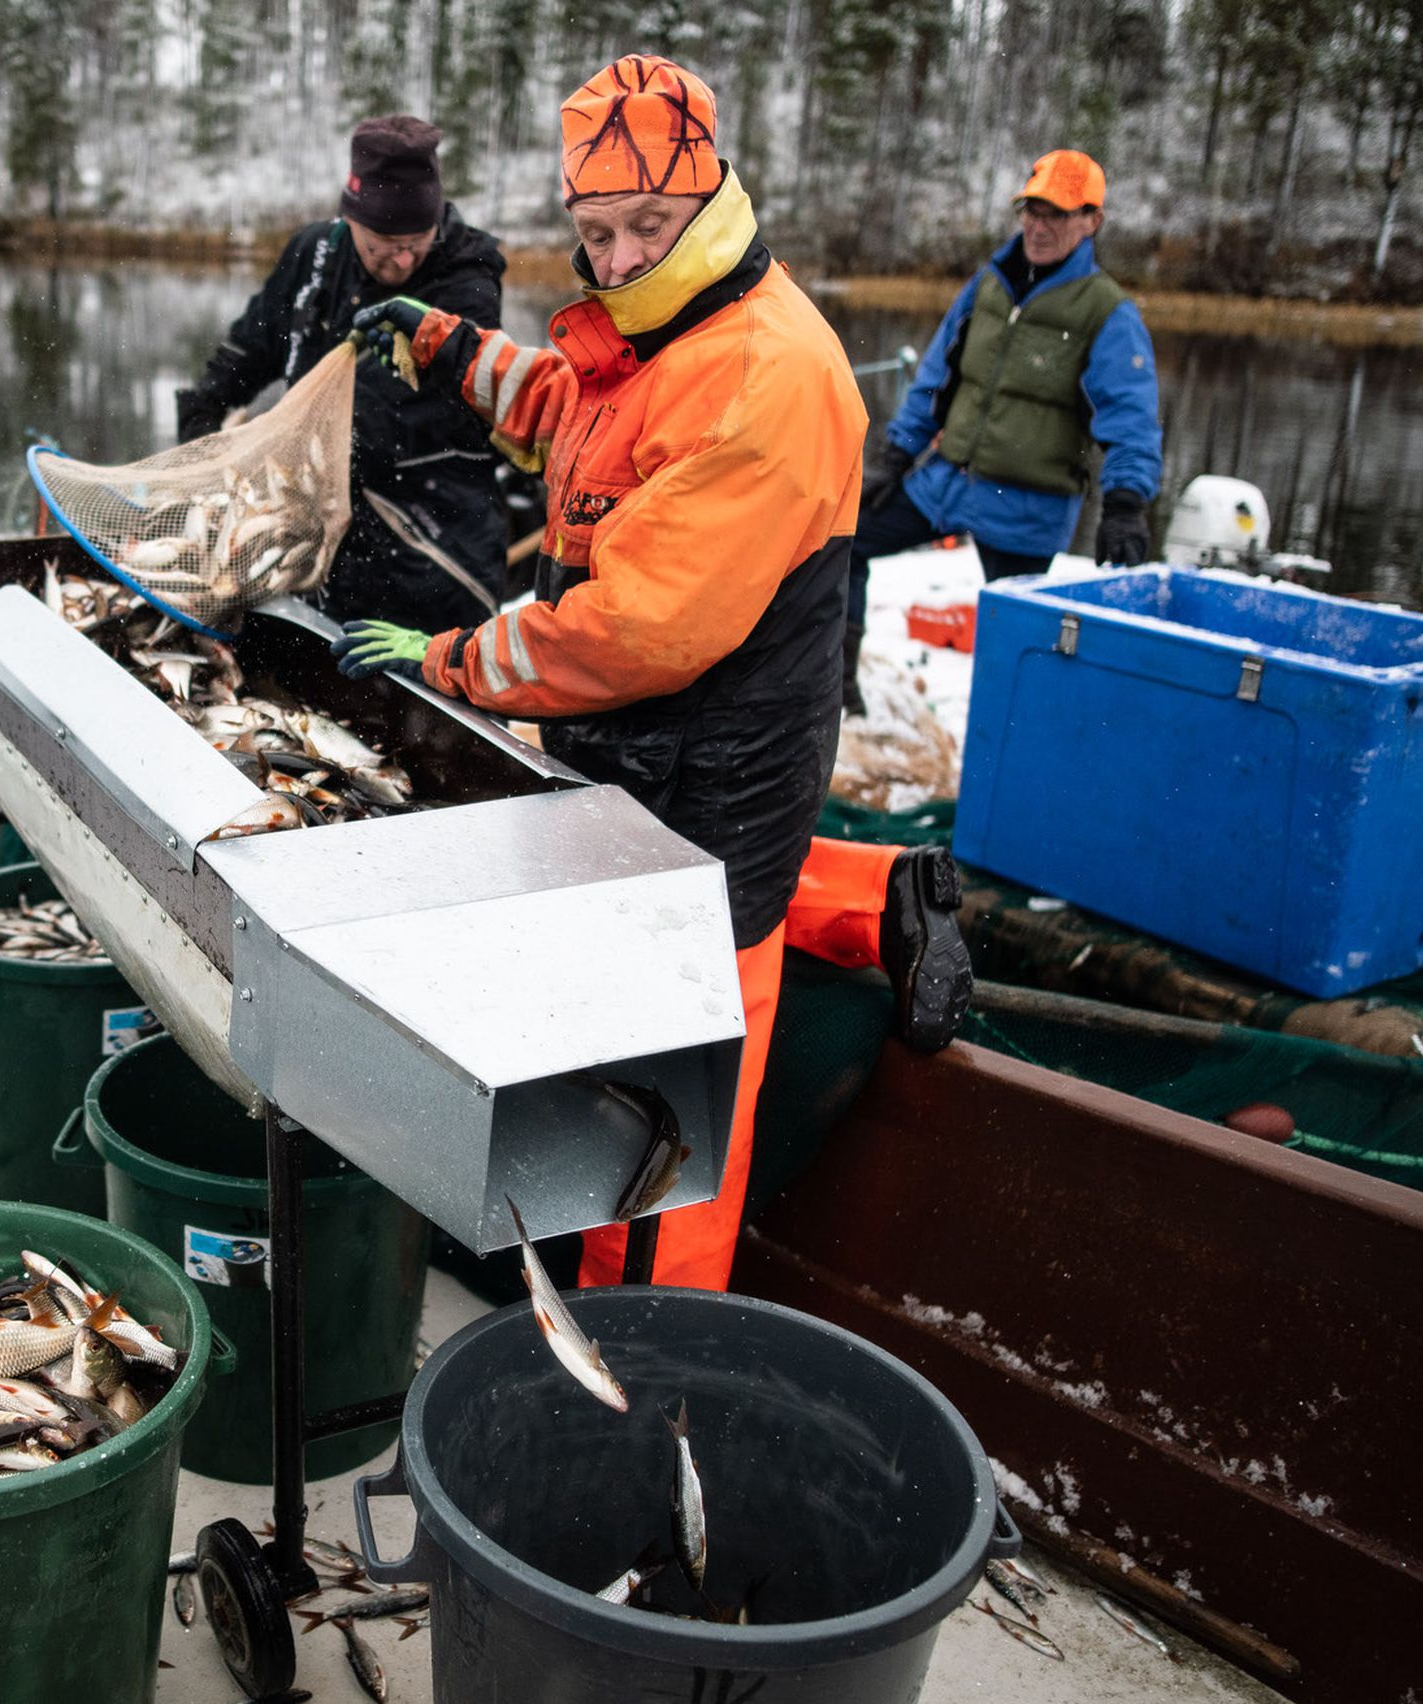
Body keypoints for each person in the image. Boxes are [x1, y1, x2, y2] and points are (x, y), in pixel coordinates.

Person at [335, 53, 971, 1294]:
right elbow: (574, 419)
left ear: (708, 198)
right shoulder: (654, 327)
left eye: (645, 228)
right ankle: (883, 890)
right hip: (627, 756)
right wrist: (456, 350)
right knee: (605, 1055)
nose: (617, 258)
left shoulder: (765, 374)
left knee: (676, 1122)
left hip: (717, 785)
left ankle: (652, 1350)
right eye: (594, 232)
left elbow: (634, 628)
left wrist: (449, 659)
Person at [843, 149, 1164, 711]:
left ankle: (1002, 747)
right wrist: (896, 456)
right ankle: (839, 695)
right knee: (842, 543)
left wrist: (1127, 502)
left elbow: (1131, 417)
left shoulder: (1108, 313)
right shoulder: (988, 285)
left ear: (1093, 222)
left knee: (1018, 640)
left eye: (1058, 215)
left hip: (1026, 504)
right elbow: (937, 376)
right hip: (946, 481)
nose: (1039, 227)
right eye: (1032, 211)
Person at [173, 115, 510, 634]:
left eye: (416, 241)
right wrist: (204, 410)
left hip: (431, 550)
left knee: (412, 699)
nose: (401, 259)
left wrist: (271, 448)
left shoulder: (468, 282)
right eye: (382, 243)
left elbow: (389, 413)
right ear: (350, 219)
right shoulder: (315, 254)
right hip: (324, 544)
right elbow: (252, 346)